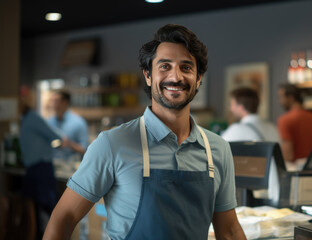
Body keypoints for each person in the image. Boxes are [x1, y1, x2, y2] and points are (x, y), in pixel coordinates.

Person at [43, 24, 246, 240]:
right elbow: (62, 219)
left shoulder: (218, 149)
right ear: (148, 75)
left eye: (186, 67)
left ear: (198, 79)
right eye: (165, 66)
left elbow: (230, 231)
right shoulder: (112, 144)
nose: (176, 77)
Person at [221, 87, 280, 205]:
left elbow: (214, 152)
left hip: (252, 196)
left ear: (241, 107)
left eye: (232, 104)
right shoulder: (272, 128)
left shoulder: (237, 129)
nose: (230, 109)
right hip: (276, 192)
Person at [19, 86, 63, 239]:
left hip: (41, 170)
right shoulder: (25, 119)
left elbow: (55, 136)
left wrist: (73, 146)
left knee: (47, 211)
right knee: (35, 214)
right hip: (33, 171)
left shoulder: (32, 118)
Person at [277, 83, 312, 169]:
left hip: (296, 169)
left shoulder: (285, 120)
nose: (280, 101)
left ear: (290, 98)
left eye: (281, 97)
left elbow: (288, 155)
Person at [47, 90, 88, 161]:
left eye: (56, 101)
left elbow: (84, 150)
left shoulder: (78, 122)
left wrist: (69, 144)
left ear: (65, 102)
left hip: (70, 168)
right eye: (52, 101)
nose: (52, 105)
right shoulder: (49, 122)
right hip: (51, 165)